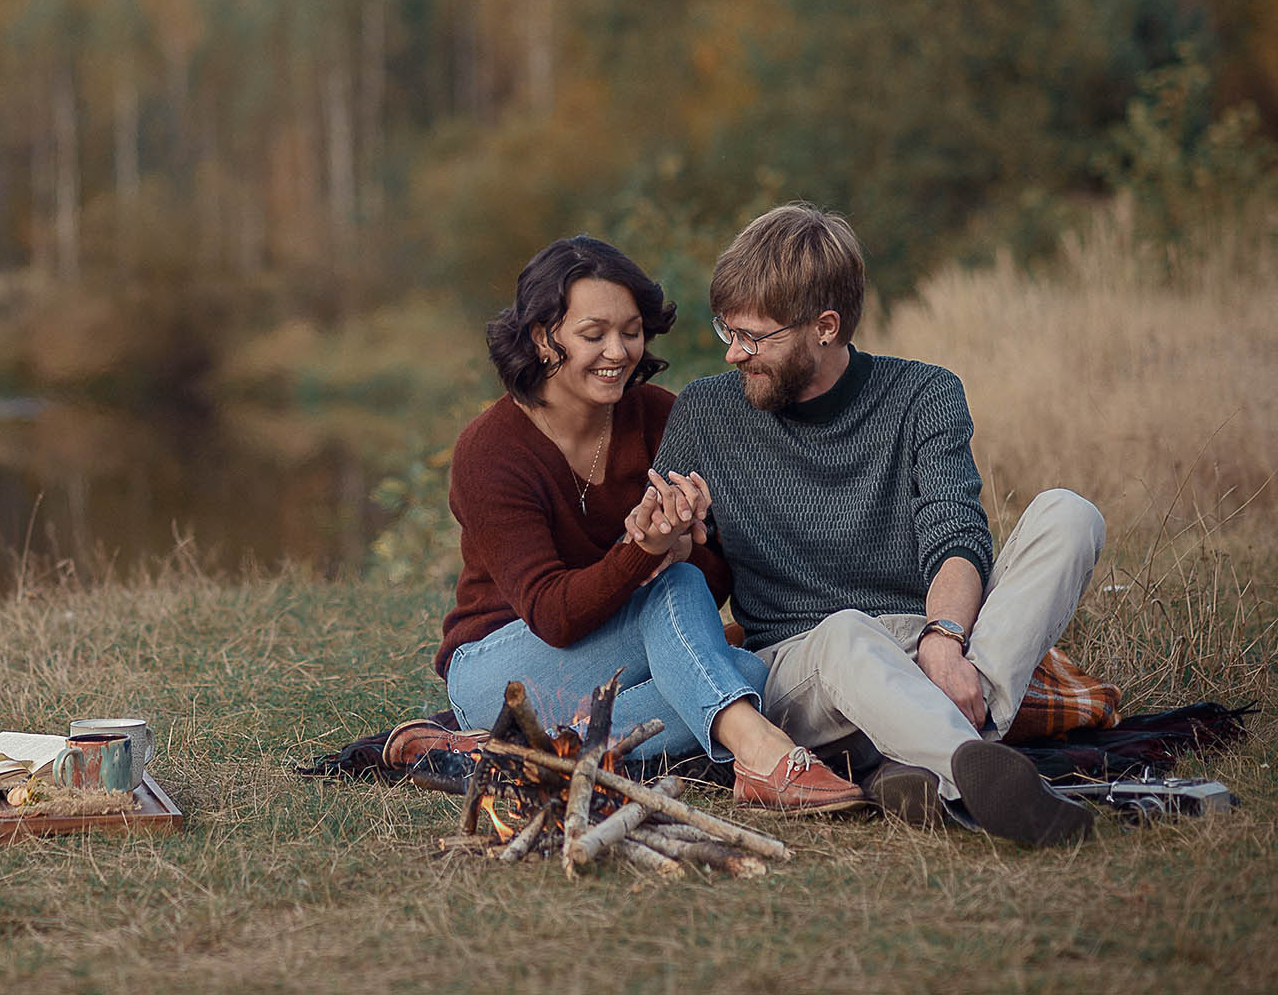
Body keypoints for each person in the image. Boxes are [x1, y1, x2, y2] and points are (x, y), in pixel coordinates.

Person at [650, 202, 1105, 847]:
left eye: (754, 336)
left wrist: (944, 638)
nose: (733, 353)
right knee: (845, 634)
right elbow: (668, 577)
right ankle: (972, 769)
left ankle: (912, 756)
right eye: (728, 329)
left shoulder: (924, 395)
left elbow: (956, 536)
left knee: (1069, 513)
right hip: (804, 664)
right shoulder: (705, 413)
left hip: (927, 645)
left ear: (825, 326)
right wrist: (664, 540)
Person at [436, 235, 866, 813]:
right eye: (594, 335)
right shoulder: (491, 451)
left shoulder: (663, 417)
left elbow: (712, 583)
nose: (618, 351)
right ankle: (760, 753)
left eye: (631, 331)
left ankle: (519, 756)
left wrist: (688, 548)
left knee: (742, 670)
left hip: (616, 663)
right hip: (502, 668)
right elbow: (553, 616)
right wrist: (645, 553)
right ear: (544, 338)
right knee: (709, 650)